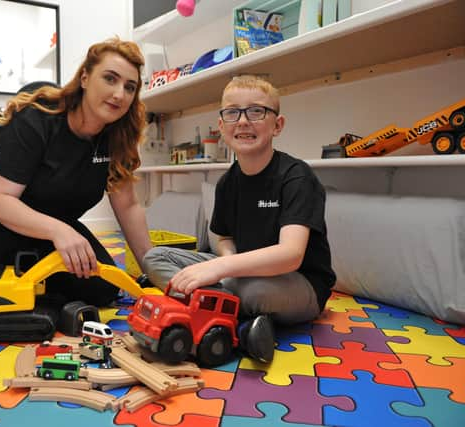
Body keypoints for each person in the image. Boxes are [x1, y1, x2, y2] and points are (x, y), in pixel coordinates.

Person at [0, 38, 153, 332]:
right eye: (110, 78)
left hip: (47, 232)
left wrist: (154, 272)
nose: (119, 94)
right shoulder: (35, 117)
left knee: (103, 290)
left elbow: (128, 206)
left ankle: (22, 269)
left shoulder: (120, 136)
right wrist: (61, 231)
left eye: (129, 87)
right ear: (85, 77)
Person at [142, 75, 336, 363]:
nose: (243, 121)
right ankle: (240, 323)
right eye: (233, 112)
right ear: (222, 126)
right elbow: (223, 237)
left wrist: (222, 268)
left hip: (297, 283)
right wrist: (226, 262)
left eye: (256, 111)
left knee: (252, 290)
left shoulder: (296, 176)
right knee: (154, 258)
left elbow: (291, 255)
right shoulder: (226, 183)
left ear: (277, 125)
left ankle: (209, 311)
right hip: (240, 272)